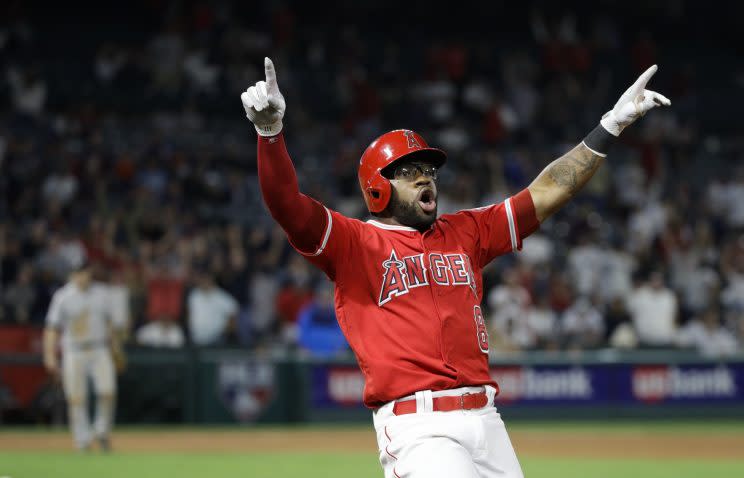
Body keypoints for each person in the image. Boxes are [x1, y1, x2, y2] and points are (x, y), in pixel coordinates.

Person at [242, 57, 669, 478]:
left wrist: (609, 126)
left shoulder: (466, 231)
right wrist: (270, 134)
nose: (425, 178)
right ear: (376, 187)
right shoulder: (353, 243)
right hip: (420, 428)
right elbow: (286, 205)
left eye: (429, 170)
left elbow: (546, 192)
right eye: (409, 172)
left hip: (486, 419)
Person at [42, 262, 126, 452]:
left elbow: (112, 325)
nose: (82, 277)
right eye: (78, 273)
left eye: (85, 272)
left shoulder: (102, 294)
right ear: (72, 275)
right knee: (76, 398)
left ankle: (102, 431)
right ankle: (82, 440)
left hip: (99, 348)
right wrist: (49, 355)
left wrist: (116, 350)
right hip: (73, 350)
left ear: (90, 273)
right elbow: (52, 328)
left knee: (108, 391)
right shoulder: (63, 296)